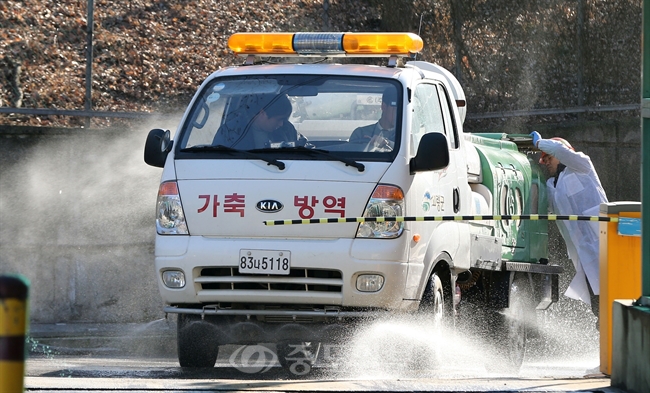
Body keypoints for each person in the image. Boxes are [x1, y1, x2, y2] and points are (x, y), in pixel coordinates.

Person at [530, 131, 608, 321]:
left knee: (613, 295)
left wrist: (539, 143)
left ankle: (615, 338)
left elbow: (558, 149)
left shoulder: (582, 166)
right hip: (583, 253)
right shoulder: (551, 185)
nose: (545, 162)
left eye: (548, 157)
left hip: (604, 245)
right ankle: (607, 337)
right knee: (598, 302)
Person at [213, 93, 308, 149]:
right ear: (262, 113)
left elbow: (305, 147)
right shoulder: (230, 132)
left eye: (285, 119)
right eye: (279, 119)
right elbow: (216, 160)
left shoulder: (287, 129)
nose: (282, 124)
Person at [349, 87, 398, 152]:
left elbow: (408, 152)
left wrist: (388, 143)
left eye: (402, 110)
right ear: (384, 107)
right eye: (395, 109)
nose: (399, 113)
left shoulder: (404, 137)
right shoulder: (360, 134)